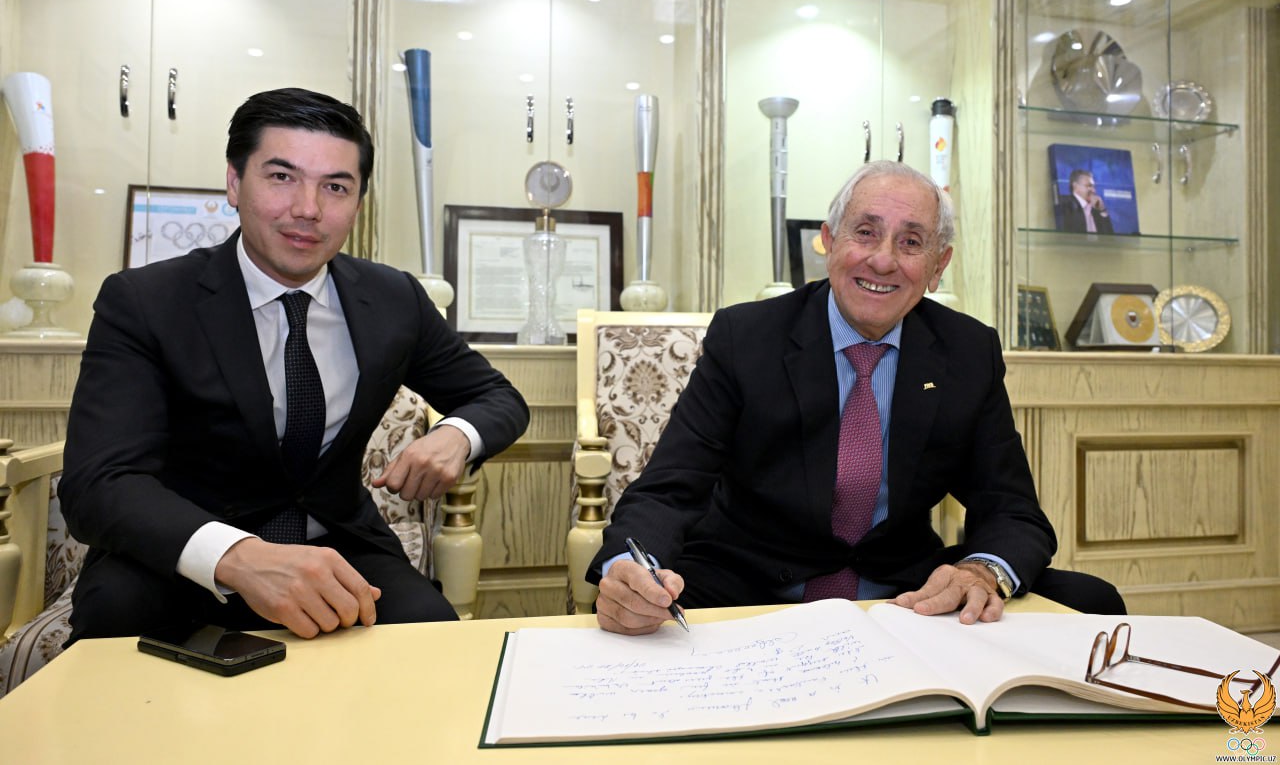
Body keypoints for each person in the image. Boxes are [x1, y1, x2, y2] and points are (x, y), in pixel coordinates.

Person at [60, 87, 529, 643]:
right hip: (181, 555)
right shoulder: (147, 302)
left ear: (359, 203)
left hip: (336, 545)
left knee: (431, 636)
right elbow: (99, 484)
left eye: (336, 187)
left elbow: (499, 398)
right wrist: (239, 556)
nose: (308, 208)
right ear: (234, 183)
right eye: (282, 177)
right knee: (113, 624)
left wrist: (456, 435)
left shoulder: (393, 299)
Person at [590, 159, 1123, 636]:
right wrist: (630, 571)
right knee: (648, 625)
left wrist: (980, 572)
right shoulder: (746, 337)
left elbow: (1012, 509)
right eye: (865, 233)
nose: (883, 261)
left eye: (911, 243)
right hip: (748, 581)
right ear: (828, 242)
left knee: (1090, 599)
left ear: (938, 266)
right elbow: (669, 489)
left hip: (902, 590)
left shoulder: (967, 351)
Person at [1058, 169, 1114, 234]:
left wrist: (1102, 210)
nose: (1094, 190)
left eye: (1093, 186)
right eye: (1089, 186)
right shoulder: (1064, 204)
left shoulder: (1096, 208)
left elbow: (1109, 236)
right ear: (1075, 186)